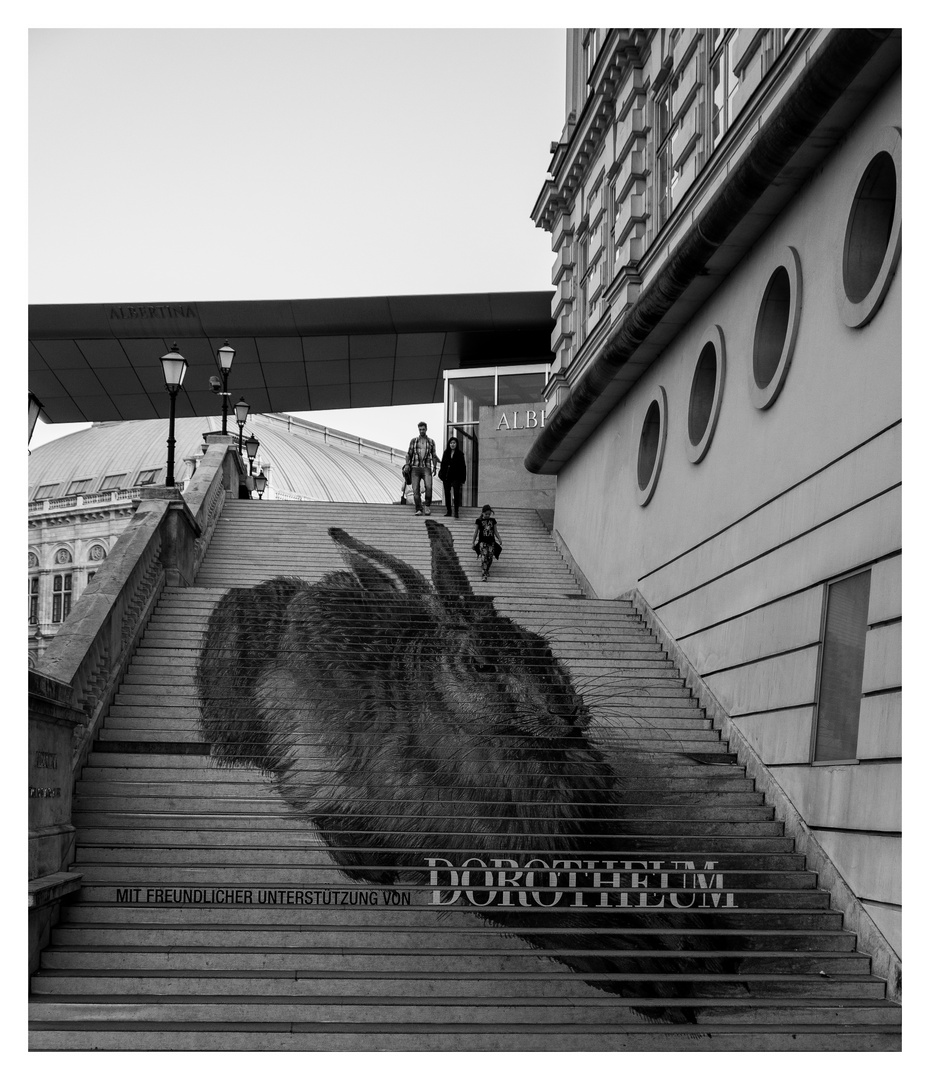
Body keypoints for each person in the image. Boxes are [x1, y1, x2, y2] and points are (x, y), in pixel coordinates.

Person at [405, 421, 439, 516]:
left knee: (429, 487)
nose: (421, 431)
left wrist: (435, 467)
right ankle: (419, 508)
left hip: (426, 467)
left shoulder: (431, 441)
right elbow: (409, 454)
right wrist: (407, 464)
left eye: (423, 429)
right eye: (420, 429)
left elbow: (434, 456)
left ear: (426, 429)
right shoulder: (414, 441)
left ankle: (427, 506)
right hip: (415, 468)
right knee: (416, 489)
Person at [438, 435, 466, 518]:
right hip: (447, 477)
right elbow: (443, 464)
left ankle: (456, 512)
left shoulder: (460, 454)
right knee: (447, 494)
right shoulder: (446, 453)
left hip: (456, 477)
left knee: (456, 494)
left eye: (454, 443)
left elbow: (463, 467)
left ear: (456, 444)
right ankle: (449, 511)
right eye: (451, 443)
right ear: (449, 444)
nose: (452, 444)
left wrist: (463, 478)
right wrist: (441, 475)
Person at [472, 504, 502, 581]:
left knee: (490, 557)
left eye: (489, 514)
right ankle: (484, 574)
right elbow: (475, 532)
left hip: (491, 542)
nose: (487, 516)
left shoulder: (493, 521)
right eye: (486, 514)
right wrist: (473, 542)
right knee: (484, 557)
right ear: (482, 513)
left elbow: (495, 531)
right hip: (483, 542)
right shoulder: (479, 521)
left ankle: (487, 569)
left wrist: (499, 539)